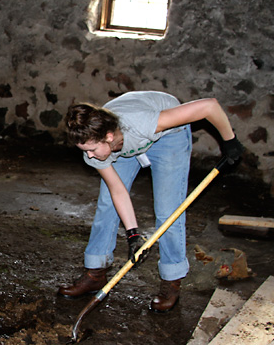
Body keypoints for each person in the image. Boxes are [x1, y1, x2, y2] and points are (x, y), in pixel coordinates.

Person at [58, 90, 243, 312]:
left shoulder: (143, 123)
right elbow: (118, 192)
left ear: (107, 136)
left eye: (91, 150)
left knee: (168, 211)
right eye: (84, 151)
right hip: (122, 143)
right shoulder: (96, 148)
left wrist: (229, 141)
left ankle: (171, 280)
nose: (88, 157)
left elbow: (209, 106)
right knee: (107, 204)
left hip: (167, 137)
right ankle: (95, 273)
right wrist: (133, 234)